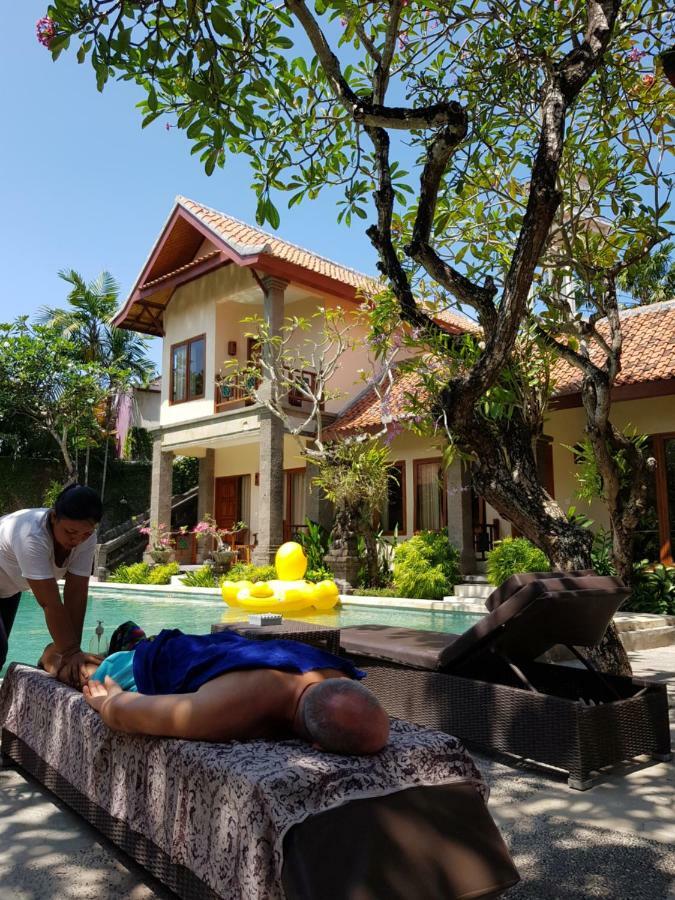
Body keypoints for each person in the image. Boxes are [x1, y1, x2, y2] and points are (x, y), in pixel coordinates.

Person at [40, 626, 391, 755]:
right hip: (143, 665)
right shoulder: (233, 708)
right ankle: (54, 656)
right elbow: (125, 714)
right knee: (70, 668)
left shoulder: (334, 672)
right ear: (316, 745)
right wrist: (109, 700)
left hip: (196, 648)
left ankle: (127, 638)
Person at [0, 484, 103, 684]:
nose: (77, 540)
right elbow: (50, 602)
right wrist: (71, 651)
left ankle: (50, 654)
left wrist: (72, 656)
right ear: (54, 517)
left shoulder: (85, 538)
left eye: (85, 534)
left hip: (8, 588)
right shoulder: (31, 535)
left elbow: (76, 593)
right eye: (70, 531)